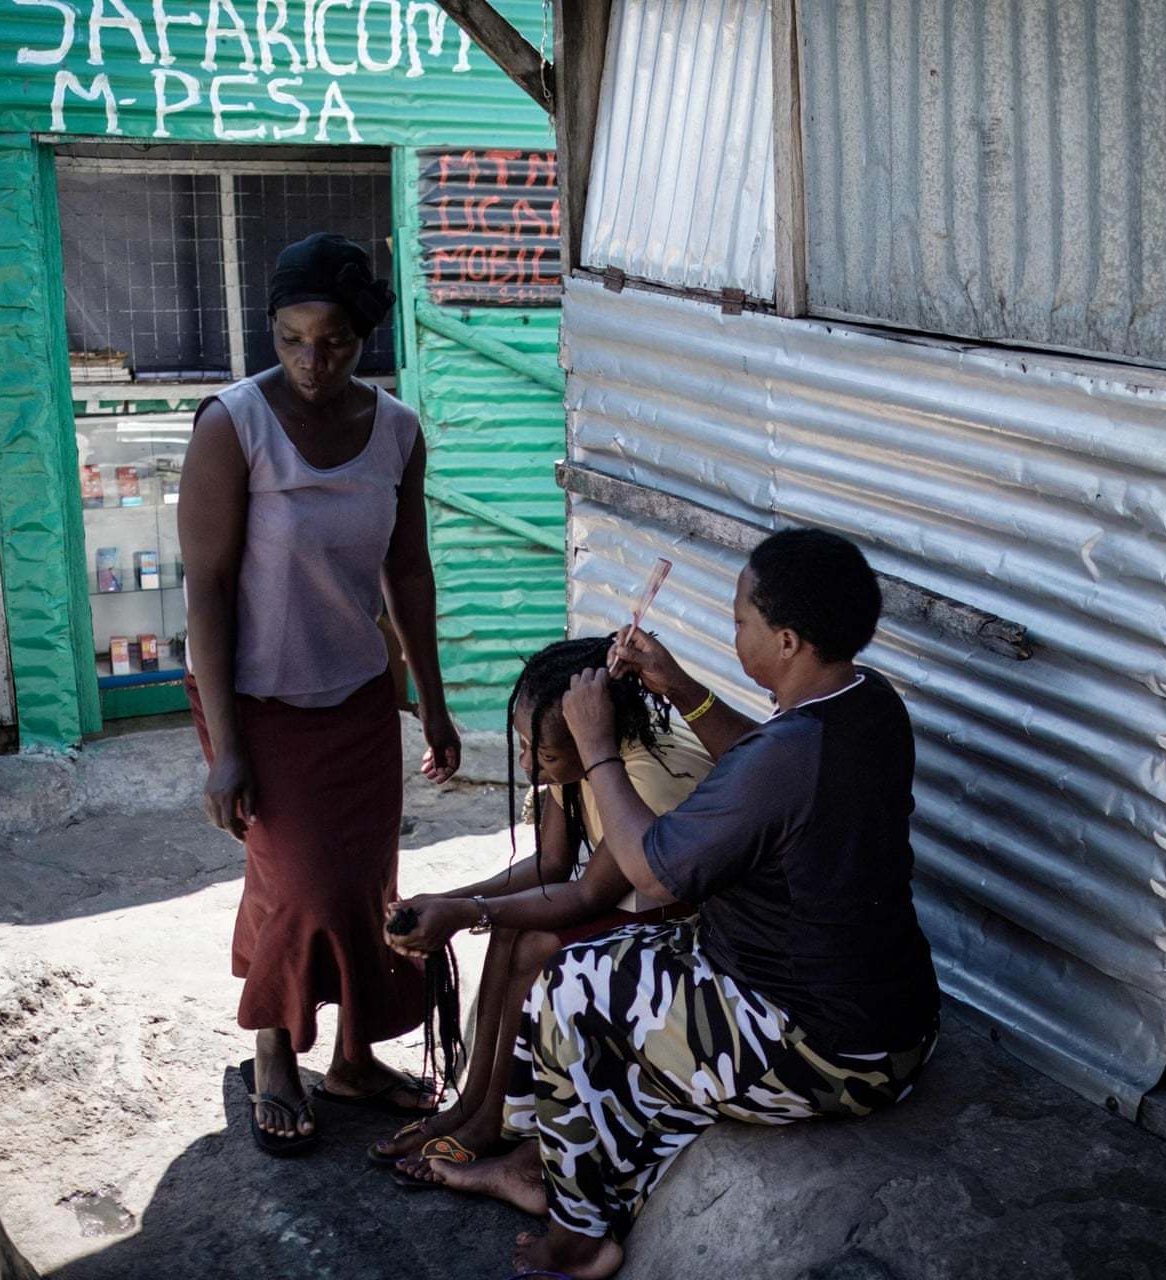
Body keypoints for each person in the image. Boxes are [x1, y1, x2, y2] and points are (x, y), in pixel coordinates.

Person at [470, 528, 942, 1279]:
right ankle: (552, 1165)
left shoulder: (787, 757)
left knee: (568, 987)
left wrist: (596, 749)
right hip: (898, 1023)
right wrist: (683, 690)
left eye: (740, 623)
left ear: (786, 641)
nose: (734, 630)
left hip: (829, 1051)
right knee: (617, 970)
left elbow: (655, 874)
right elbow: (766, 763)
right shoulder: (866, 700)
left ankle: (579, 1233)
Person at [177, 232, 462, 1155]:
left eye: (331, 341)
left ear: (362, 339)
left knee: (366, 884)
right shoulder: (233, 426)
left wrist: (432, 696)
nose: (309, 360)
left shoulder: (397, 432)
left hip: (360, 697)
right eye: (291, 339)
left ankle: (351, 1060)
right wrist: (226, 749)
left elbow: (408, 573)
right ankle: (272, 1051)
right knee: (295, 883)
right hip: (257, 697)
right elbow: (207, 589)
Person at [376, 634, 715, 1182]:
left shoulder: (646, 776)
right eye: (526, 748)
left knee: (533, 942)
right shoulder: (574, 754)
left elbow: (587, 896)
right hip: (634, 906)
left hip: (688, 932)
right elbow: (550, 866)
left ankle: (494, 1122)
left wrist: (467, 914)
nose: (530, 764)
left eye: (545, 755)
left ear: (592, 735)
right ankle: (473, 1105)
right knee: (509, 930)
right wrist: (447, 901)